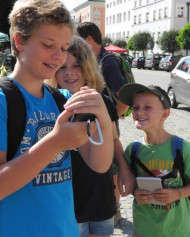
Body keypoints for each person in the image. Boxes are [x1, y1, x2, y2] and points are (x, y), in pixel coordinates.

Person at [0, 1, 114, 236]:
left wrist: (102, 118)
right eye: (48, 45)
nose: (58, 56)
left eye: (63, 48)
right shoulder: (3, 100)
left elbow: (99, 164)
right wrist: (54, 143)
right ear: (20, 41)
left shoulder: (61, 99)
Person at [46, 35, 134, 237]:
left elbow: (113, 139)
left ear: (88, 68)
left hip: (100, 196)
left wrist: (124, 168)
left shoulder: (102, 100)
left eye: (77, 66)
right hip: (68, 202)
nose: (69, 73)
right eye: (61, 67)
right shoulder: (49, 104)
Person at [118, 83, 190, 237]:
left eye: (147, 107)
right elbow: (131, 186)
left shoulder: (182, 149)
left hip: (178, 230)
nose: (139, 111)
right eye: (135, 107)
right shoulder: (133, 150)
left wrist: (178, 194)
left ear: (165, 114)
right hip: (143, 229)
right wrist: (136, 192)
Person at [77, 22, 129, 222]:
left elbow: (123, 96)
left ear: (89, 39)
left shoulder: (107, 61)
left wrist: (109, 117)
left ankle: (114, 212)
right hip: (97, 119)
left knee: (112, 168)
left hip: (105, 119)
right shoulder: (97, 59)